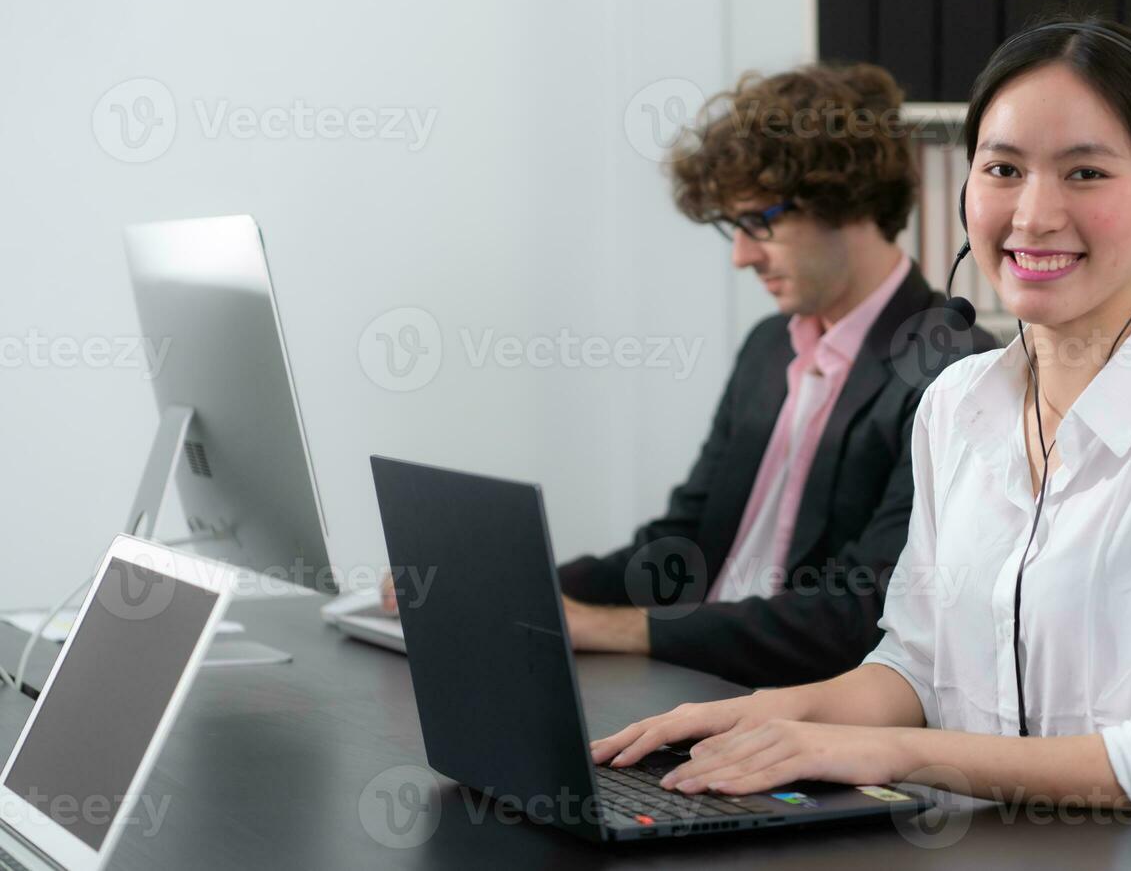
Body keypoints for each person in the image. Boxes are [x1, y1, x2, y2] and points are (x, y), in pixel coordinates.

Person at [587, 17, 1131, 848]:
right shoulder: (956, 402)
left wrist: (884, 751)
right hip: (990, 846)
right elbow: (917, 663)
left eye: (1084, 171)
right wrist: (760, 715)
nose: (1034, 213)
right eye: (1003, 169)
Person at [385, 62, 994, 688]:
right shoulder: (768, 348)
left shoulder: (954, 367)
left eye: (761, 224)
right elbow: (686, 545)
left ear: (853, 202)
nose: (741, 256)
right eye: (736, 228)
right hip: (694, 672)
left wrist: (603, 629)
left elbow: (859, 616)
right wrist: (514, 588)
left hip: (799, 702)